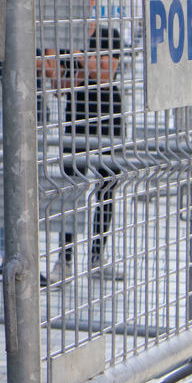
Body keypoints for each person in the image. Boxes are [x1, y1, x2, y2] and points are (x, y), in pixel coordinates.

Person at [42, 25, 126, 284]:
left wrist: (78, 58)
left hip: (108, 118)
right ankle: (64, 259)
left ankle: (97, 257)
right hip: (77, 118)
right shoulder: (65, 35)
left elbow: (104, 73)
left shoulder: (106, 33)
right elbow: (59, 84)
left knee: (106, 187)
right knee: (71, 187)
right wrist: (63, 55)